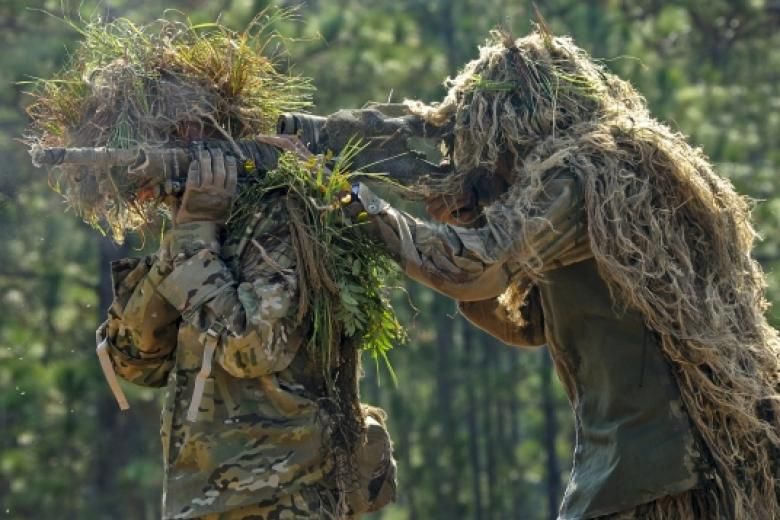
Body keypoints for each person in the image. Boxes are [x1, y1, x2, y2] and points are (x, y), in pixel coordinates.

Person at [351, 27, 780, 519]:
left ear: (513, 127)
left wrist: (356, 204)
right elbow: (531, 325)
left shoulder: (584, 175)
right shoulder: (620, 169)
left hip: (662, 474)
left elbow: (476, 266)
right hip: (674, 466)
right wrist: (471, 222)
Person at [98, 144, 396, 519]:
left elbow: (252, 348)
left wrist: (193, 242)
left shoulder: (281, 214)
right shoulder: (202, 223)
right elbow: (135, 362)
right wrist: (186, 235)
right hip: (203, 503)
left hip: (282, 500)